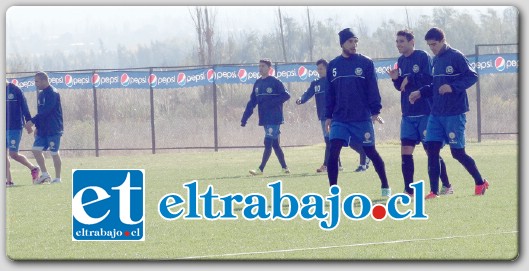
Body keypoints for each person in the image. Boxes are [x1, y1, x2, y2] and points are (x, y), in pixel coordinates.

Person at [409, 27, 489, 198]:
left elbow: (472, 76)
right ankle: (433, 191)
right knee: (432, 150)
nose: (432, 48)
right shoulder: (435, 60)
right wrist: (420, 92)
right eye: (429, 45)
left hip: (454, 113)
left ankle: (480, 182)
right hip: (436, 114)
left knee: (457, 153)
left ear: (443, 40)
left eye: (434, 44)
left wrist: (452, 87)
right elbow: (436, 85)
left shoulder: (456, 56)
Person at [325, 28, 391, 196]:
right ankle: (333, 192)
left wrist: (376, 110)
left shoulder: (366, 63)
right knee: (333, 152)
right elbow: (329, 93)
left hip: (361, 118)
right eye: (350, 42)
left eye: (356, 41)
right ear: (342, 44)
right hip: (340, 118)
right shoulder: (333, 65)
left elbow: (372, 88)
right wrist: (328, 115)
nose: (354, 45)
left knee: (370, 152)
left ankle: (385, 186)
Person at [387, 29, 452, 196]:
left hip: (425, 113)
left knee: (431, 152)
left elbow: (430, 80)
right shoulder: (400, 61)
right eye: (397, 42)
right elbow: (402, 87)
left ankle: (446, 186)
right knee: (405, 151)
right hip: (407, 114)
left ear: (411, 42)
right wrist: (396, 79)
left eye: (401, 41)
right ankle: (408, 190)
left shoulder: (422, 57)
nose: (398, 44)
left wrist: (411, 79)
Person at [296, 59, 370, 173]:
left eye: (321, 68)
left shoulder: (333, 81)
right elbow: (308, 93)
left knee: (338, 141)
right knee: (331, 141)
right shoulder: (315, 83)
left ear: (327, 68)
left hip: (336, 116)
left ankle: (327, 165)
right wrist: (301, 99)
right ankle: (339, 164)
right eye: (318, 69)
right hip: (323, 117)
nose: (319, 71)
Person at [241, 59, 291, 175]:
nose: (260, 68)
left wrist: (272, 102)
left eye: (263, 66)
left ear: (269, 69)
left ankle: (260, 169)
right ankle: (285, 168)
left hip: (275, 118)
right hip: (264, 118)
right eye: (259, 66)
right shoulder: (258, 83)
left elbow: (286, 95)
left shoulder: (275, 82)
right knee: (275, 144)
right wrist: (244, 118)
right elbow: (252, 102)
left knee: (267, 141)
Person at [24, 72, 64, 184]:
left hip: (53, 128)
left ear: (43, 80)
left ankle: (58, 178)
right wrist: (37, 126)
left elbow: (47, 111)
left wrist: (32, 121)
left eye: (36, 81)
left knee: (54, 152)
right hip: (42, 129)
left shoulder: (53, 93)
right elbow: (41, 112)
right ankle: (45, 175)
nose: (35, 83)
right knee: (36, 150)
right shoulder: (41, 95)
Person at [6, 80, 40, 186]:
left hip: (14, 127)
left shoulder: (15, 90)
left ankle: (33, 168)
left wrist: (29, 123)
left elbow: (25, 107)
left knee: (13, 154)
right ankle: (9, 181)